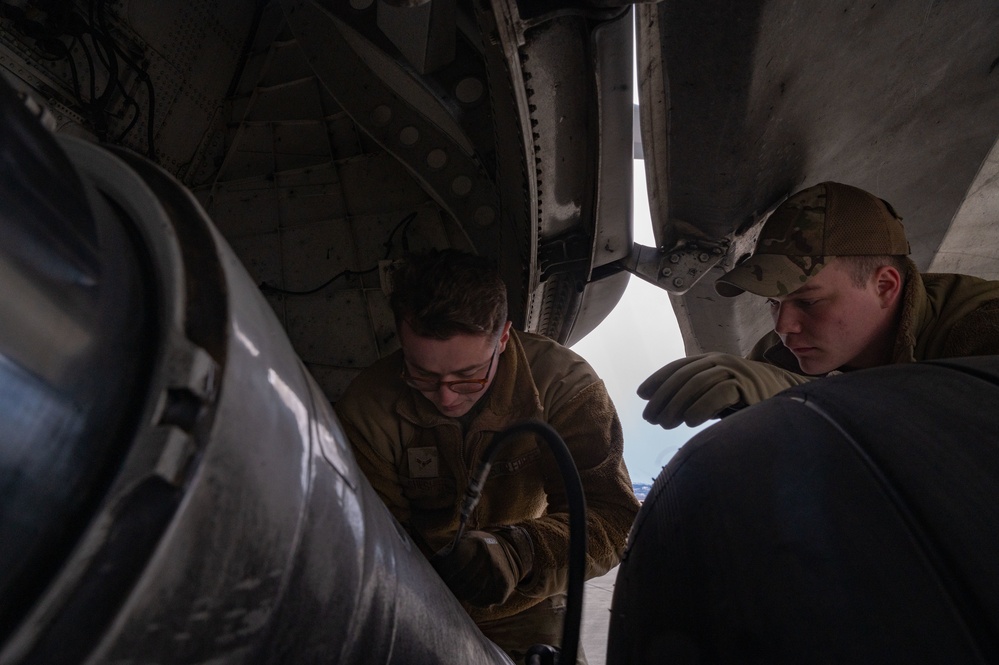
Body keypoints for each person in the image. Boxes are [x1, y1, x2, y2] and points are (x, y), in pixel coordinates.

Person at [335, 249, 640, 664]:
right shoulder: (368, 407)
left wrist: (520, 552)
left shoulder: (563, 386)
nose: (445, 396)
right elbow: (369, 540)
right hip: (417, 601)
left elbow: (612, 519)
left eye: (468, 376)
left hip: (527, 603)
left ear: (503, 338)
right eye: (422, 374)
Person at [640, 180, 999, 429]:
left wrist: (815, 402)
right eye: (772, 303)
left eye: (808, 302)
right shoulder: (776, 357)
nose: (784, 327)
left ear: (885, 287)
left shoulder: (980, 329)